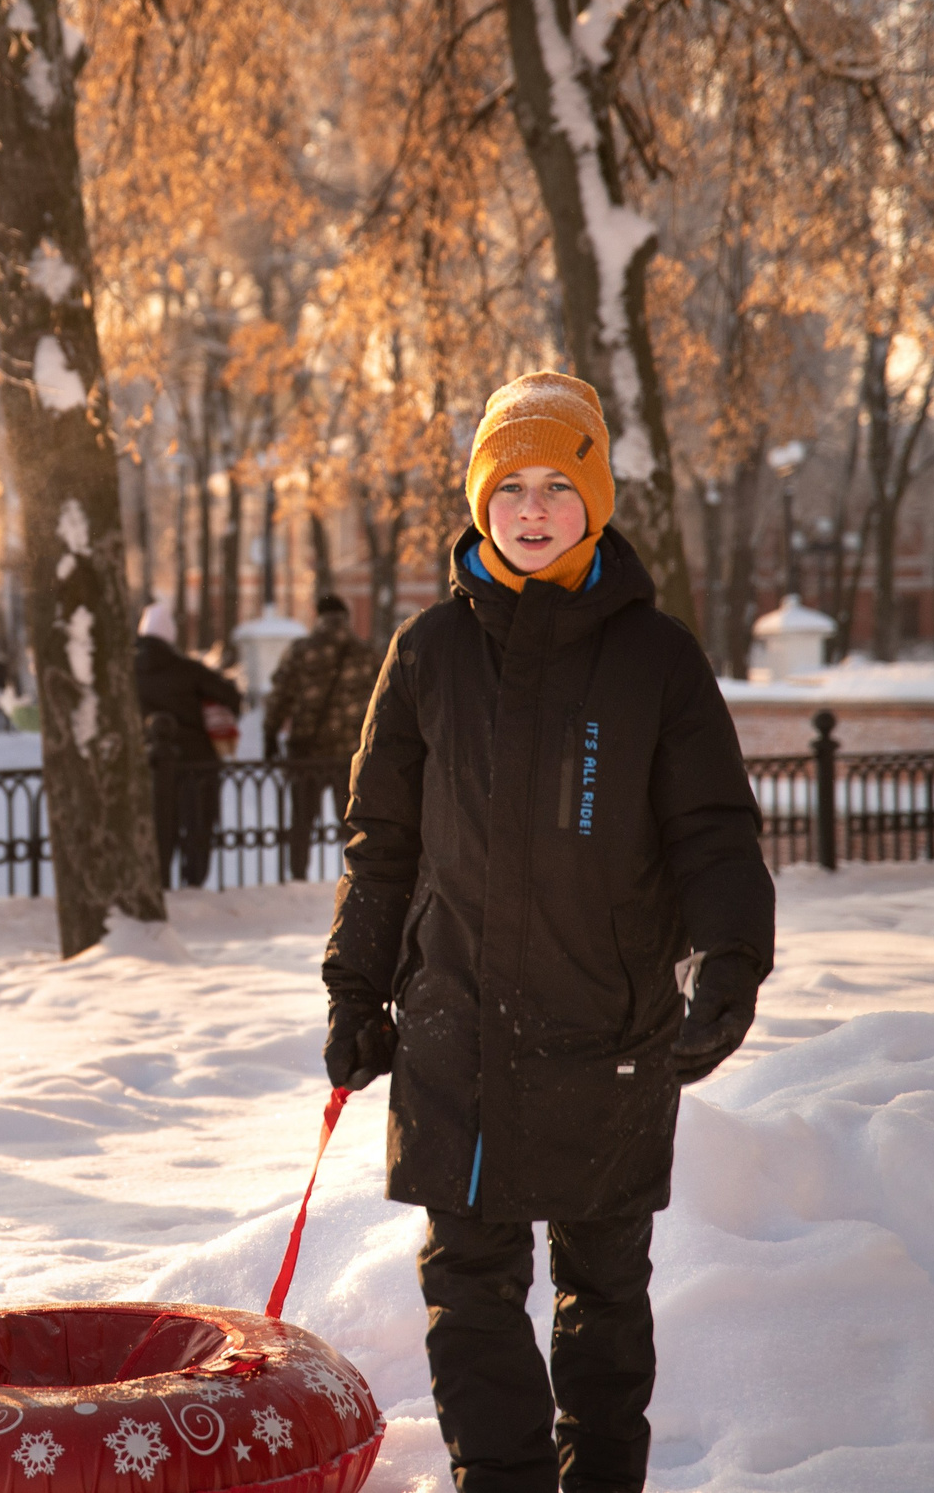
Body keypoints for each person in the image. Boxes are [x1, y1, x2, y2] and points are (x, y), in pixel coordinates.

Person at [320, 373, 771, 1493]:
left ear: (595, 497)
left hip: (606, 1029)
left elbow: (711, 829)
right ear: (479, 501)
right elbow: (381, 840)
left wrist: (729, 960)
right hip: (456, 1030)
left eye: (556, 485)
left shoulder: (656, 660)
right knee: (467, 1285)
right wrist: (354, 988)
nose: (530, 508)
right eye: (507, 486)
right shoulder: (425, 654)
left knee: (603, 1287)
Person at [264, 594, 375, 881]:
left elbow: (280, 695)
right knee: (352, 821)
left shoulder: (302, 650)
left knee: (302, 820)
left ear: (319, 616)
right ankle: (357, 878)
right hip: (350, 753)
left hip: (307, 750)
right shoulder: (365, 652)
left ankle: (298, 876)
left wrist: (270, 734)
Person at [133, 599, 242, 887]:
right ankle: (193, 883)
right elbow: (230, 695)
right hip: (196, 761)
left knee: (156, 825)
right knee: (197, 825)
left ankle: (158, 883)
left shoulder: (124, 672)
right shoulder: (188, 669)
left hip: (146, 762)